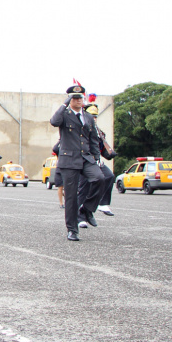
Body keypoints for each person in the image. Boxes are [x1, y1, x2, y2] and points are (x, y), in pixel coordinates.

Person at [50, 84, 104, 241]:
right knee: (71, 197)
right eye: (75, 98)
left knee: (99, 179)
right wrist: (64, 104)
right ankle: (72, 229)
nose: (79, 100)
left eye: (81, 97)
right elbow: (54, 121)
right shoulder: (65, 115)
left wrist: (96, 157)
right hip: (69, 159)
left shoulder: (87, 116)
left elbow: (93, 138)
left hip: (86, 157)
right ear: (70, 99)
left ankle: (87, 209)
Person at [77, 103, 117, 222]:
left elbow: (100, 149)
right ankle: (79, 218)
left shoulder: (99, 132)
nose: (94, 118)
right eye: (91, 116)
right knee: (83, 189)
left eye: (95, 116)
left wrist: (108, 154)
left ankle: (102, 203)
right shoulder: (80, 129)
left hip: (95, 162)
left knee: (109, 176)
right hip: (82, 162)